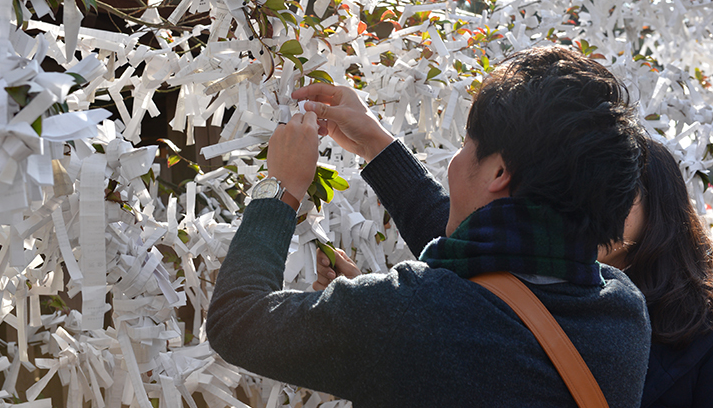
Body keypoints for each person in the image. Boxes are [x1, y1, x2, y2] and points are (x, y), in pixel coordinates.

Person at [207, 45, 651, 407]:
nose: (455, 161)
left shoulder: (411, 317)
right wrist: (378, 146)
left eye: (466, 145)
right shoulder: (621, 311)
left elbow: (236, 322)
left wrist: (280, 189)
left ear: (499, 172)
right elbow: (485, 269)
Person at [598, 138, 713, 407]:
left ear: (658, 203)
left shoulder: (702, 330)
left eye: (615, 191)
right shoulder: (561, 298)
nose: (592, 209)